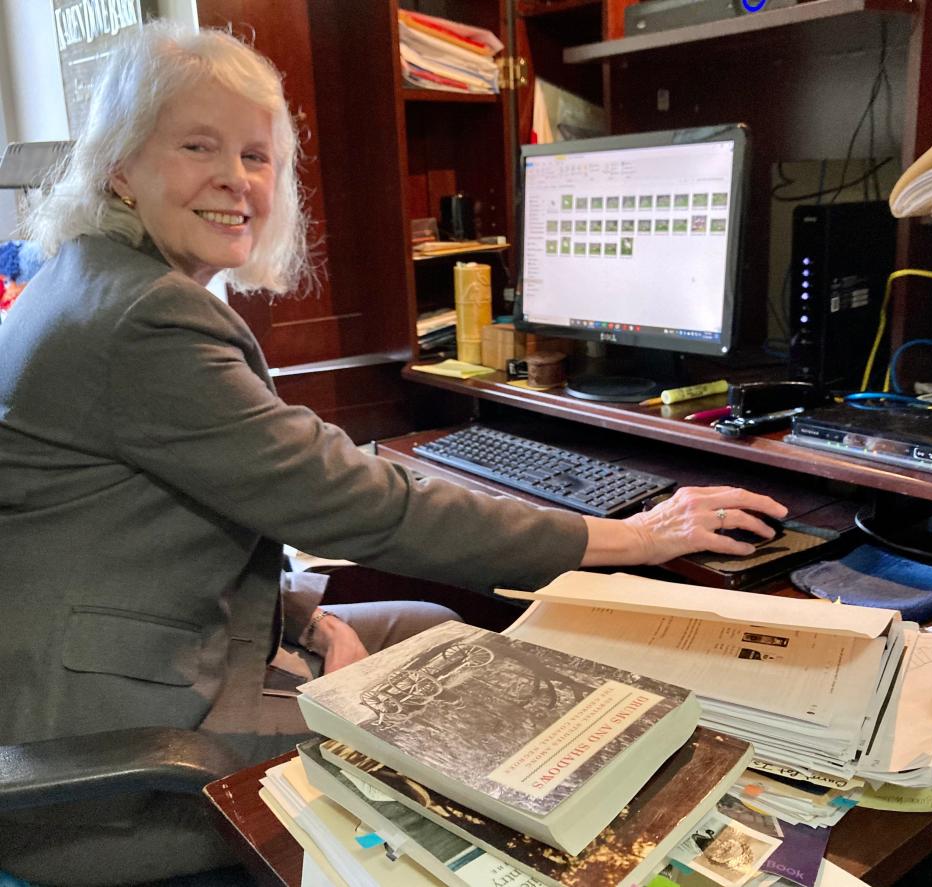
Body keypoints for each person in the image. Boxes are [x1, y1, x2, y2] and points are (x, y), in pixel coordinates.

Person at [0, 22, 786, 885]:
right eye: (198, 146)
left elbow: (151, 519)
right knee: (477, 724)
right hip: (114, 769)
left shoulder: (89, 276)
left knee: (434, 628)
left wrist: (297, 613)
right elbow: (367, 507)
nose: (236, 180)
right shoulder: (147, 319)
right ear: (121, 167)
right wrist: (636, 536)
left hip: (92, 683)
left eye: (256, 156)